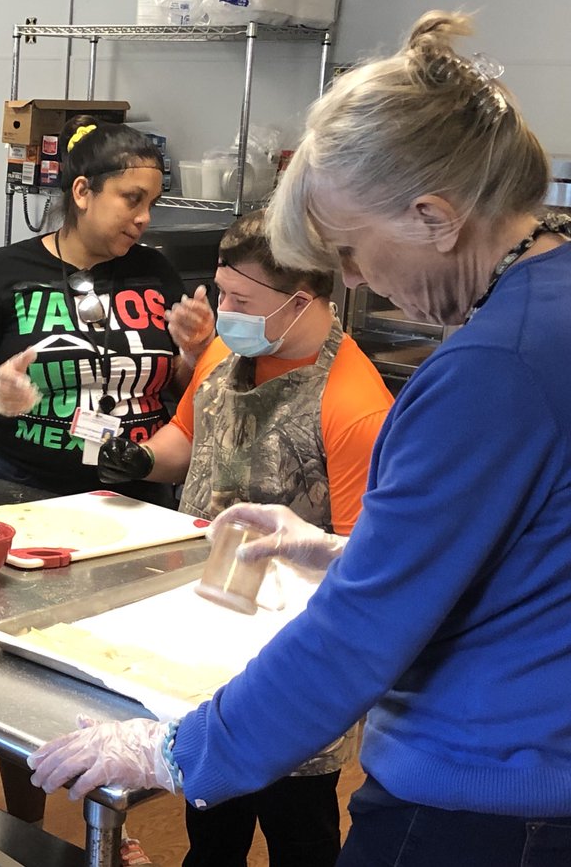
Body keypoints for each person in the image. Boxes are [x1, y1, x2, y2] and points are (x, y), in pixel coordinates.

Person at [27, 11, 571, 867]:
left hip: (487, 803)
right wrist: (332, 549)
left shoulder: (491, 369)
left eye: (351, 251)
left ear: (434, 216)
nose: (352, 279)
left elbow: (364, 632)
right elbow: (517, 554)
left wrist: (175, 751)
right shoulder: (553, 305)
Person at [97, 209, 393, 867]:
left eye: (240, 300)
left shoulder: (354, 405)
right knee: (212, 822)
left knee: (301, 832)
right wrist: (144, 459)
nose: (222, 311)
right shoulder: (231, 351)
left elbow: (362, 566)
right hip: (207, 633)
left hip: (296, 666)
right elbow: (192, 441)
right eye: (223, 292)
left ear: (298, 302)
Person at [0, 116, 216, 509]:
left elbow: (180, 390)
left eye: (151, 204)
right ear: (83, 192)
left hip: (137, 491)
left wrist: (195, 351)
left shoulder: (156, 273)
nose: (145, 218)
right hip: (22, 487)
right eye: (132, 199)